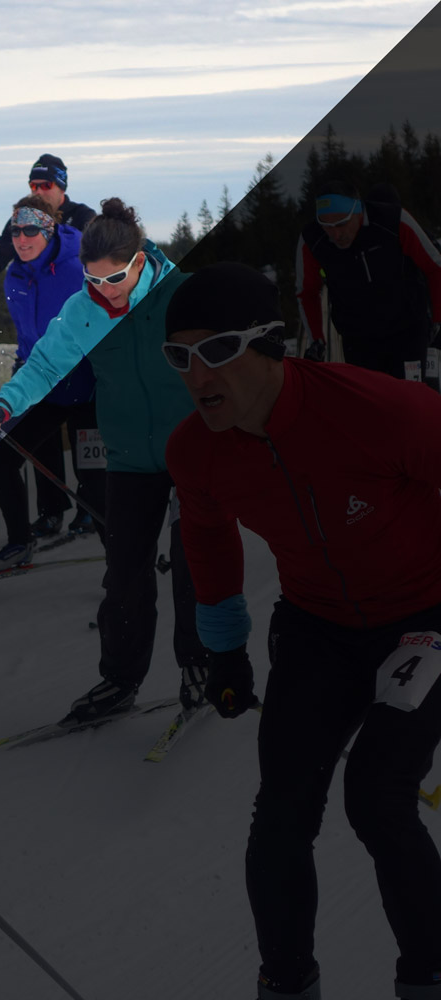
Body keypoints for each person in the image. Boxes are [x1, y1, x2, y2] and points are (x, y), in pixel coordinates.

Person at [164, 260, 441, 1000]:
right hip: (320, 627)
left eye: (217, 350)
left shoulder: (382, 410)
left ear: (272, 345)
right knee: (281, 813)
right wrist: (223, 649)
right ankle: (286, 985)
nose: (197, 375)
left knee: (377, 796)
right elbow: (210, 543)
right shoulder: (197, 450)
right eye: (179, 356)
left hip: (424, 621)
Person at [0, 198, 208, 720]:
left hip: (191, 447)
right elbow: (44, 365)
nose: (106, 290)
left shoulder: (182, 296)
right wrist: (6, 404)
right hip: (129, 453)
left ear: (141, 261)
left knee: (195, 562)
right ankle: (120, 679)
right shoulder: (86, 309)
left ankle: (201, 663)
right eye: (94, 280)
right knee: (124, 572)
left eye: (116, 278)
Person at [0, 194, 102, 571]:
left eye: (30, 229)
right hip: (46, 386)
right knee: (2, 459)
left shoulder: (79, 264)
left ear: (49, 230)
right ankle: (20, 542)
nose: (21, 238)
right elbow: (29, 336)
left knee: (97, 481)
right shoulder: (15, 274)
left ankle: (124, 562)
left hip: (91, 388)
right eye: (16, 230)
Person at [295, 178, 441, 379]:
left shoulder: (393, 221)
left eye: (342, 223)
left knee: (411, 401)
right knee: (372, 406)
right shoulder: (313, 240)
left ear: (358, 211)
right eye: (327, 226)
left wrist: (438, 318)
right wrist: (317, 340)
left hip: (407, 332)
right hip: (358, 341)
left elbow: (435, 267)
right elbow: (307, 292)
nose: (336, 234)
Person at [0, 154, 96, 279]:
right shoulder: (22, 221)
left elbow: (94, 262)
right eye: (34, 186)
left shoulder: (82, 216)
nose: (38, 192)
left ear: (62, 188)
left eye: (46, 185)